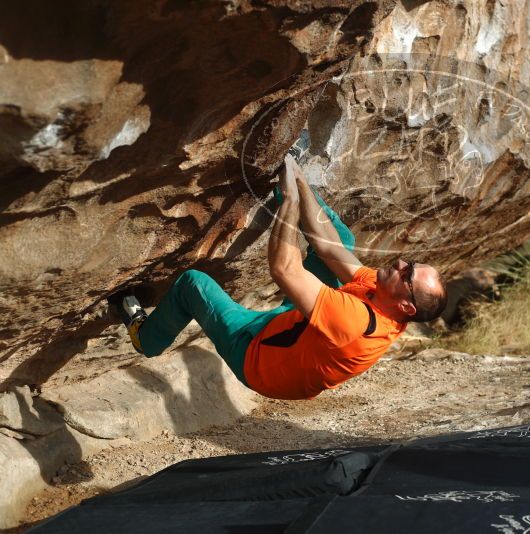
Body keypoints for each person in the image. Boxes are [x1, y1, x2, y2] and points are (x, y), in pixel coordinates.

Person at [113, 154, 448, 400]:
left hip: (258, 357)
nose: (402, 262)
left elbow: (285, 269)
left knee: (193, 285)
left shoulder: (356, 323)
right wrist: (298, 180)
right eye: (410, 263)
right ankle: (283, 178)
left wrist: (290, 201)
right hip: (293, 329)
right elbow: (331, 250)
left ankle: (146, 338)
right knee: (342, 241)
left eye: (408, 274)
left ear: (405, 306)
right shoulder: (381, 291)